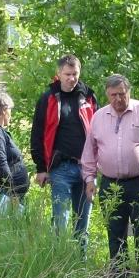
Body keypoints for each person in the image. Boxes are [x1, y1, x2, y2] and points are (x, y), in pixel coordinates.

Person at [81, 73, 139, 276]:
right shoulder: (98, 117)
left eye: (122, 94)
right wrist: (89, 179)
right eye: (113, 95)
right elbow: (89, 152)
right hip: (110, 185)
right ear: (107, 94)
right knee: (115, 235)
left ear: (128, 92)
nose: (118, 99)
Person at [31, 54, 98, 251]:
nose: (71, 78)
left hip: (86, 168)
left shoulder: (88, 97)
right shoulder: (48, 99)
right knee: (60, 220)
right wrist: (41, 168)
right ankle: (60, 263)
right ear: (58, 74)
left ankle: (81, 264)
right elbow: (37, 134)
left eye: (75, 74)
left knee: (83, 222)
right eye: (67, 74)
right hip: (60, 168)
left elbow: (100, 132)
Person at [0, 91, 30, 211]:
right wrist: (11, 190)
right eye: (10, 110)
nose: (10, 113)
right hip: (3, 195)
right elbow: (0, 162)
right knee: (2, 228)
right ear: (2, 111)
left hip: (7, 195)